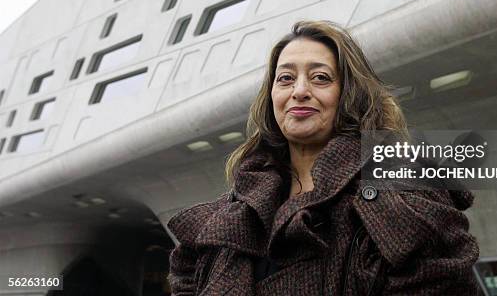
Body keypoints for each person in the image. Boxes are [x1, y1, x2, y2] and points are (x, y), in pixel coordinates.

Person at [166, 20, 480, 295]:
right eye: (285, 78)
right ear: (272, 96)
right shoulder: (236, 210)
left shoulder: (404, 189)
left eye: (320, 78)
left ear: (349, 94)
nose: (299, 91)